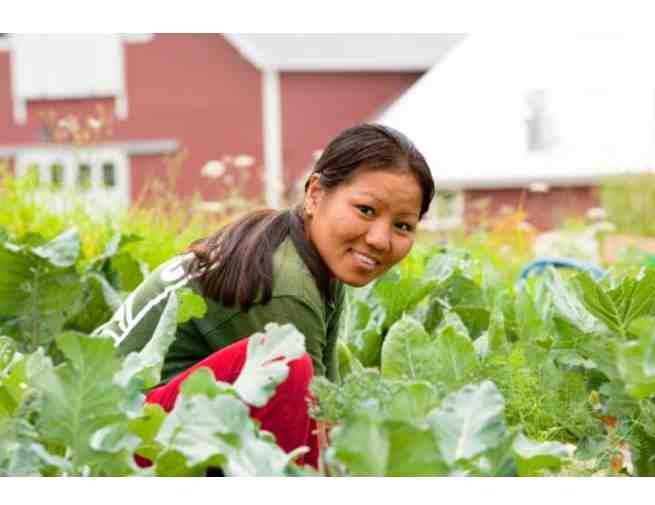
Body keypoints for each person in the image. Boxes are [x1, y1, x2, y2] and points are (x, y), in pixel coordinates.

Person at [93, 123, 435, 470]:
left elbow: (328, 404)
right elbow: (314, 434)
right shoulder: (287, 282)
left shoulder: (315, 255)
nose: (380, 239)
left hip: (148, 418)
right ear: (315, 194)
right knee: (287, 368)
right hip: (111, 435)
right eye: (366, 210)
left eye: (403, 226)